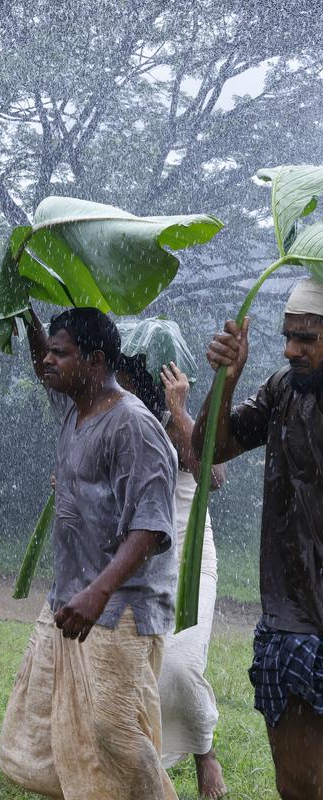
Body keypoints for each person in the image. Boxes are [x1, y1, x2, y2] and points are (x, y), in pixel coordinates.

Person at [0, 307, 178, 800]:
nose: (47, 362)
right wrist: (24, 311)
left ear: (95, 360)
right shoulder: (74, 406)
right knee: (44, 723)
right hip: (70, 597)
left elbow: (150, 527)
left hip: (120, 603)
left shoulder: (134, 426)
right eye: (49, 351)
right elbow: (42, 359)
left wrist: (98, 594)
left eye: (62, 353)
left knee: (113, 730)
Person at [193, 277, 323, 800]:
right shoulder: (281, 389)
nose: (291, 349)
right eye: (288, 335)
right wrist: (227, 379)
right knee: (300, 783)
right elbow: (209, 450)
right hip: (292, 615)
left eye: (307, 338)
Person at [115, 351, 228, 798]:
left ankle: (205, 753)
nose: (117, 386)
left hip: (190, 558)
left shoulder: (178, 418)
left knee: (180, 665)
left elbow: (213, 476)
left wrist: (179, 411)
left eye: (126, 379)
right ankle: (145, 762)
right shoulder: (117, 419)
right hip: (139, 560)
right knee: (139, 669)